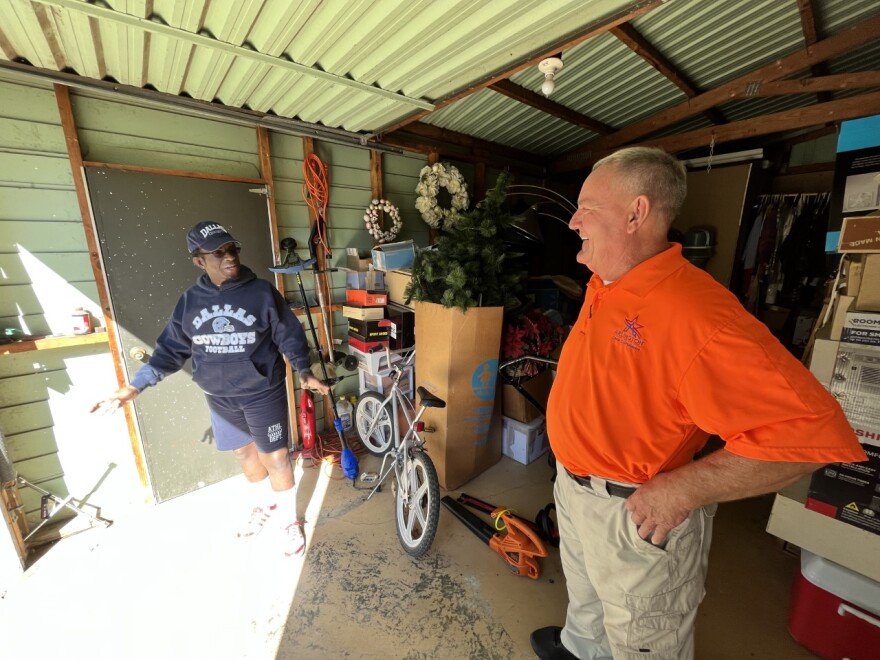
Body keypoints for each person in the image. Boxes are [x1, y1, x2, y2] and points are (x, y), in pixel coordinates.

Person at [530, 147, 867, 660]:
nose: (574, 221)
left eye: (587, 207)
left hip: (633, 515)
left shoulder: (696, 312)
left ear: (636, 213)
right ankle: (581, 649)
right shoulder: (607, 282)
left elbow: (807, 437)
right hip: (577, 494)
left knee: (644, 641)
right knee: (589, 603)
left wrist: (684, 489)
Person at [91, 221, 329, 557]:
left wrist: (304, 371)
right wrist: (134, 386)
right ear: (199, 261)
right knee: (243, 453)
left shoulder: (261, 292)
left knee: (275, 457)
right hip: (219, 397)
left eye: (232, 248)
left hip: (262, 390)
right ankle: (265, 506)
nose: (229, 256)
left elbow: (289, 335)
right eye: (218, 252)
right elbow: (170, 350)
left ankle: (289, 520)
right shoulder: (190, 301)